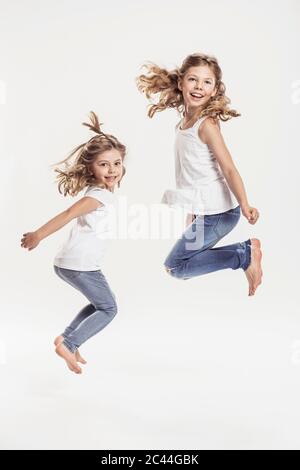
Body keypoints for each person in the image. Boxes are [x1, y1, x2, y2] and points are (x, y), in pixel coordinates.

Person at [136, 52, 263, 296]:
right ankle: (243, 254)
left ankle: (244, 254)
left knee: (176, 266)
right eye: (193, 80)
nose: (199, 87)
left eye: (207, 82)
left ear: (215, 90)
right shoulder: (185, 121)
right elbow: (194, 174)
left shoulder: (207, 125)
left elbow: (228, 168)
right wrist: (192, 212)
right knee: (178, 266)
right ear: (181, 82)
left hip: (220, 214)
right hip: (205, 211)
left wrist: (245, 204)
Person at [20, 111, 126, 374]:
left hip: (74, 263)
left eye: (116, 163)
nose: (112, 170)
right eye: (103, 165)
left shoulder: (102, 193)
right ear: (91, 168)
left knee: (100, 304)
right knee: (109, 308)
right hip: (81, 264)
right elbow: (68, 214)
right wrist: (38, 235)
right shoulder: (99, 196)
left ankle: (66, 339)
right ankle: (70, 342)